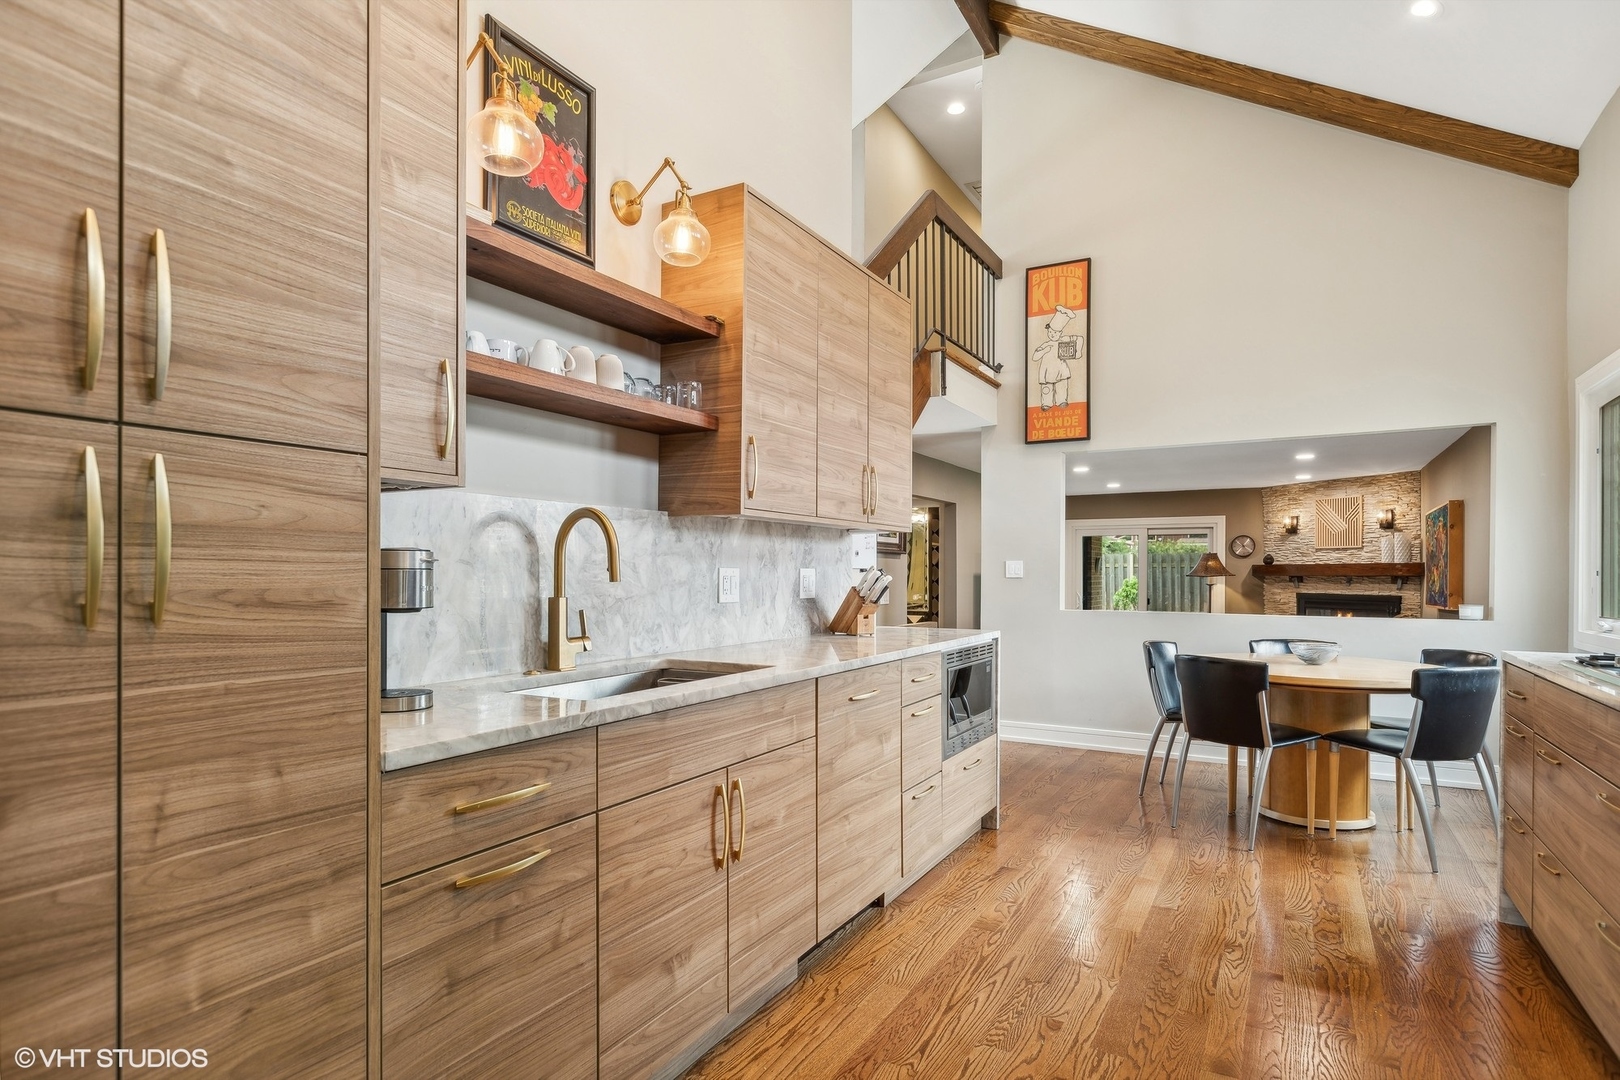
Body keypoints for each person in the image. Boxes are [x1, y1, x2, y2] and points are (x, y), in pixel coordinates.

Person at [1032, 304, 1081, 410]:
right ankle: (1046, 403)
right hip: (1047, 371)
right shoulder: (1046, 345)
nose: (1052, 334)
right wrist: (1044, 351)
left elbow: (1079, 338)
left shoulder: (1063, 341)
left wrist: (1078, 352)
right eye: (1050, 332)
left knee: (1062, 385)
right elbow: (1035, 357)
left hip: (1060, 370)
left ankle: (1062, 401)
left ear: (1060, 333)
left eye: (1055, 333)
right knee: (1047, 388)